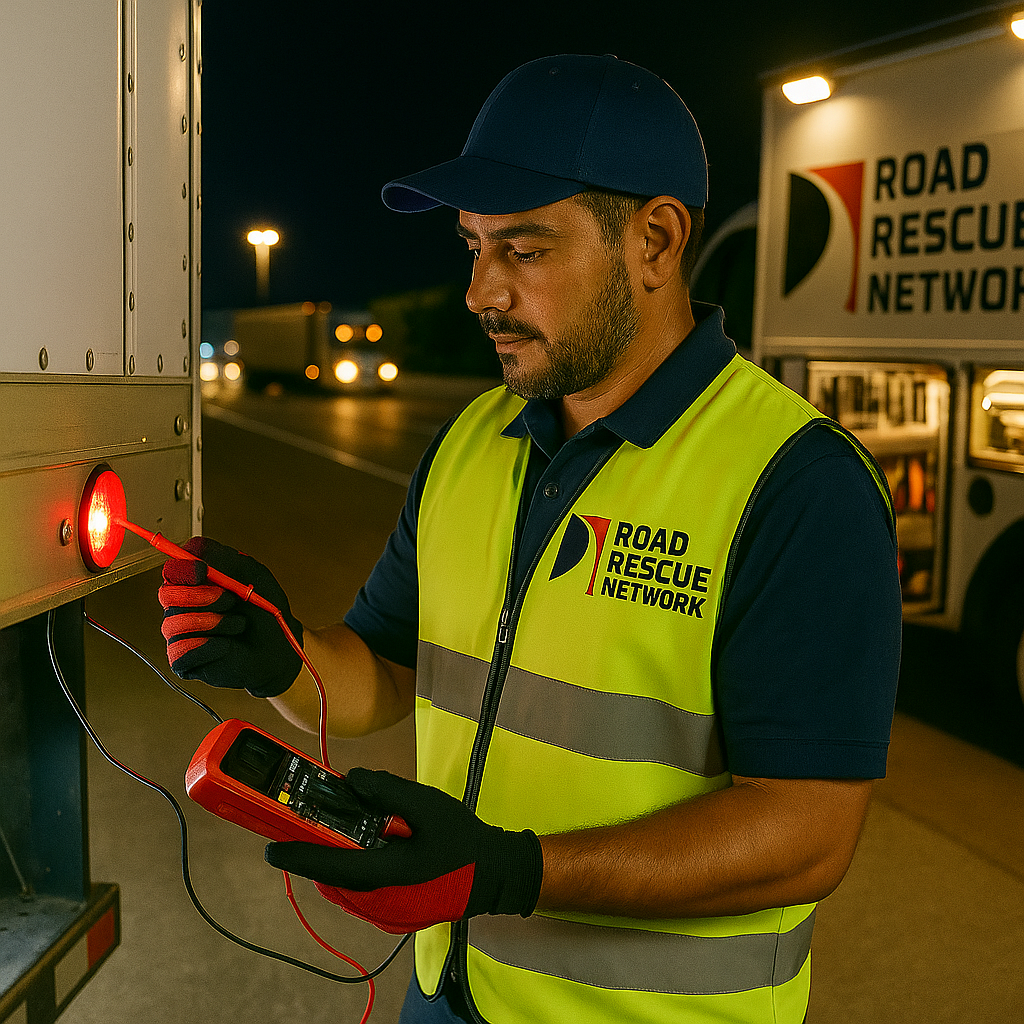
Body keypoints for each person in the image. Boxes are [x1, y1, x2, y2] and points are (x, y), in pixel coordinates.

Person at [159, 54, 902, 1024]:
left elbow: (806, 832)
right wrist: (280, 652)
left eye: (524, 249)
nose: (479, 292)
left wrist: (510, 870)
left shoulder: (796, 483)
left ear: (656, 239)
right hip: (450, 989)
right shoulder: (471, 442)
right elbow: (380, 671)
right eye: (470, 247)